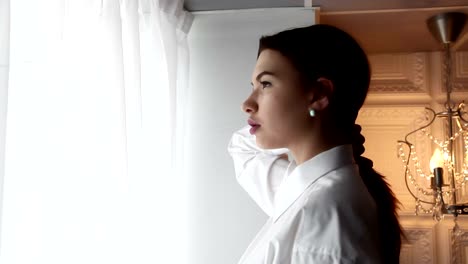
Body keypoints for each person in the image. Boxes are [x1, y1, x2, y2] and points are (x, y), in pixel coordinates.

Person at [227, 24, 403, 264]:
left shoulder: (323, 220)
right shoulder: (305, 188)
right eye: (254, 86)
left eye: (266, 84)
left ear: (319, 94)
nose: (246, 103)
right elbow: (242, 148)